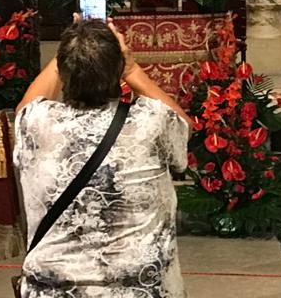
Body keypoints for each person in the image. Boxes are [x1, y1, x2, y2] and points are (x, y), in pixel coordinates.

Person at [14, 19, 191, 297]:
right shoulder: (150, 122)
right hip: (139, 289)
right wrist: (131, 68)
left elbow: (26, 106)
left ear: (62, 69)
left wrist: (71, 50)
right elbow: (180, 121)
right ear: (118, 70)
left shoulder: (38, 123)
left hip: (54, 289)